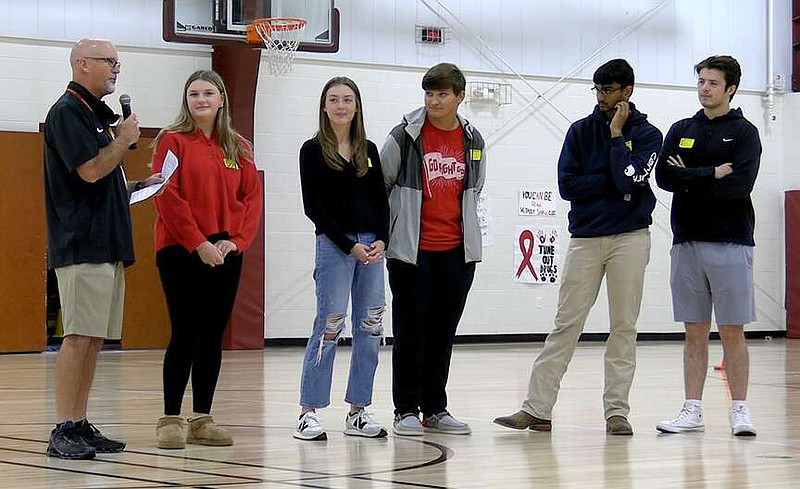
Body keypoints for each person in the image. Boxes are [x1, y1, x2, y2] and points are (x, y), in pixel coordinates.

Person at [494, 59, 661, 436]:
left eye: (609, 90)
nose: (602, 97)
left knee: (623, 326)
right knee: (566, 323)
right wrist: (614, 181)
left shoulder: (648, 134)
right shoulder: (580, 131)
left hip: (630, 238)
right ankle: (536, 409)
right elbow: (569, 186)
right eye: (598, 90)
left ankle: (616, 412)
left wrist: (617, 138)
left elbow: (631, 181)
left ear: (627, 92)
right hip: (585, 237)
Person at [44, 38, 163, 459]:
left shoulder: (94, 115)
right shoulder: (67, 112)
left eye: (118, 61)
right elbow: (91, 170)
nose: (116, 68)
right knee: (78, 339)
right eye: (108, 61)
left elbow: (100, 179)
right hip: (82, 244)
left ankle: (78, 422)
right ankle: (62, 428)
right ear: (81, 64)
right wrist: (123, 140)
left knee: (93, 340)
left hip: (107, 242)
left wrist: (133, 186)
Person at [152, 70, 263, 449]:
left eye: (208, 93)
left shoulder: (239, 147)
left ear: (221, 99)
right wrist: (197, 242)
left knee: (212, 334)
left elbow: (251, 199)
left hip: (226, 249)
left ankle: (201, 418)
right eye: (194, 93)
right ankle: (170, 418)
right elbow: (168, 196)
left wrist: (237, 241)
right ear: (186, 100)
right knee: (185, 330)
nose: (201, 99)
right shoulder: (171, 141)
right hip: (180, 248)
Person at [654, 55, 760, 437]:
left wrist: (689, 177)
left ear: (730, 88)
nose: (705, 88)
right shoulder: (682, 128)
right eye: (701, 81)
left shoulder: (745, 133)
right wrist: (710, 173)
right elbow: (664, 176)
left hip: (731, 241)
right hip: (686, 241)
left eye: (713, 83)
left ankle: (741, 409)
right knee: (694, 330)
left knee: (732, 329)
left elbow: (740, 185)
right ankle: (692, 409)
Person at [381, 62, 486, 436]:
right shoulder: (404, 136)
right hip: (412, 252)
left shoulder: (474, 141)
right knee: (410, 330)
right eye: (429, 93)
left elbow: (475, 189)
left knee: (443, 332)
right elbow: (383, 185)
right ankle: (405, 409)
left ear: (460, 96)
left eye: (442, 94)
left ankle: (435, 409)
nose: (434, 100)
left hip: (457, 254)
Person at [294, 76, 389, 441]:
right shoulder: (312, 150)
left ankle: (358, 410)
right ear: (324, 106)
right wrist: (349, 244)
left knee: (371, 326)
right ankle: (309, 411)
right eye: (333, 99)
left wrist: (382, 239)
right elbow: (313, 207)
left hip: (372, 249)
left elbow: (381, 201)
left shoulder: (369, 150)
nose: (340, 106)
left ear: (356, 105)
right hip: (336, 246)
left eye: (347, 99)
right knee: (330, 324)